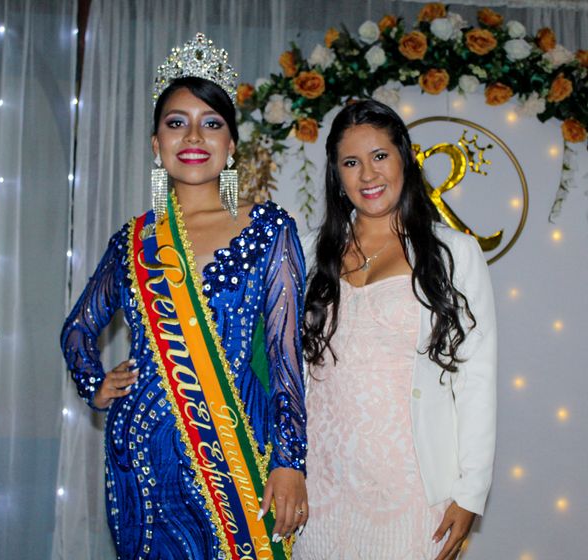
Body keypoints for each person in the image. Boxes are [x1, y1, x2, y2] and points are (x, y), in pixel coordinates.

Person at [61, 34, 308, 560]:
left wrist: (291, 462)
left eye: (211, 123)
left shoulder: (269, 229)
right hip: (143, 466)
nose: (193, 135)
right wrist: (94, 384)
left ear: (232, 144)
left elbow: (286, 355)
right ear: (156, 145)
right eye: (177, 123)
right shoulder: (133, 241)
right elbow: (77, 329)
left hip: (241, 456)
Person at [292, 100, 497, 560]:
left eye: (380, 156)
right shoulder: (307, 252)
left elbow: (476, 380)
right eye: (351, 162)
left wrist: (471, 492)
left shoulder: (453, 254)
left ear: (404, 158)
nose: (368, 174)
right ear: (336, 175)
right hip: (319, 487)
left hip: (411, 488)